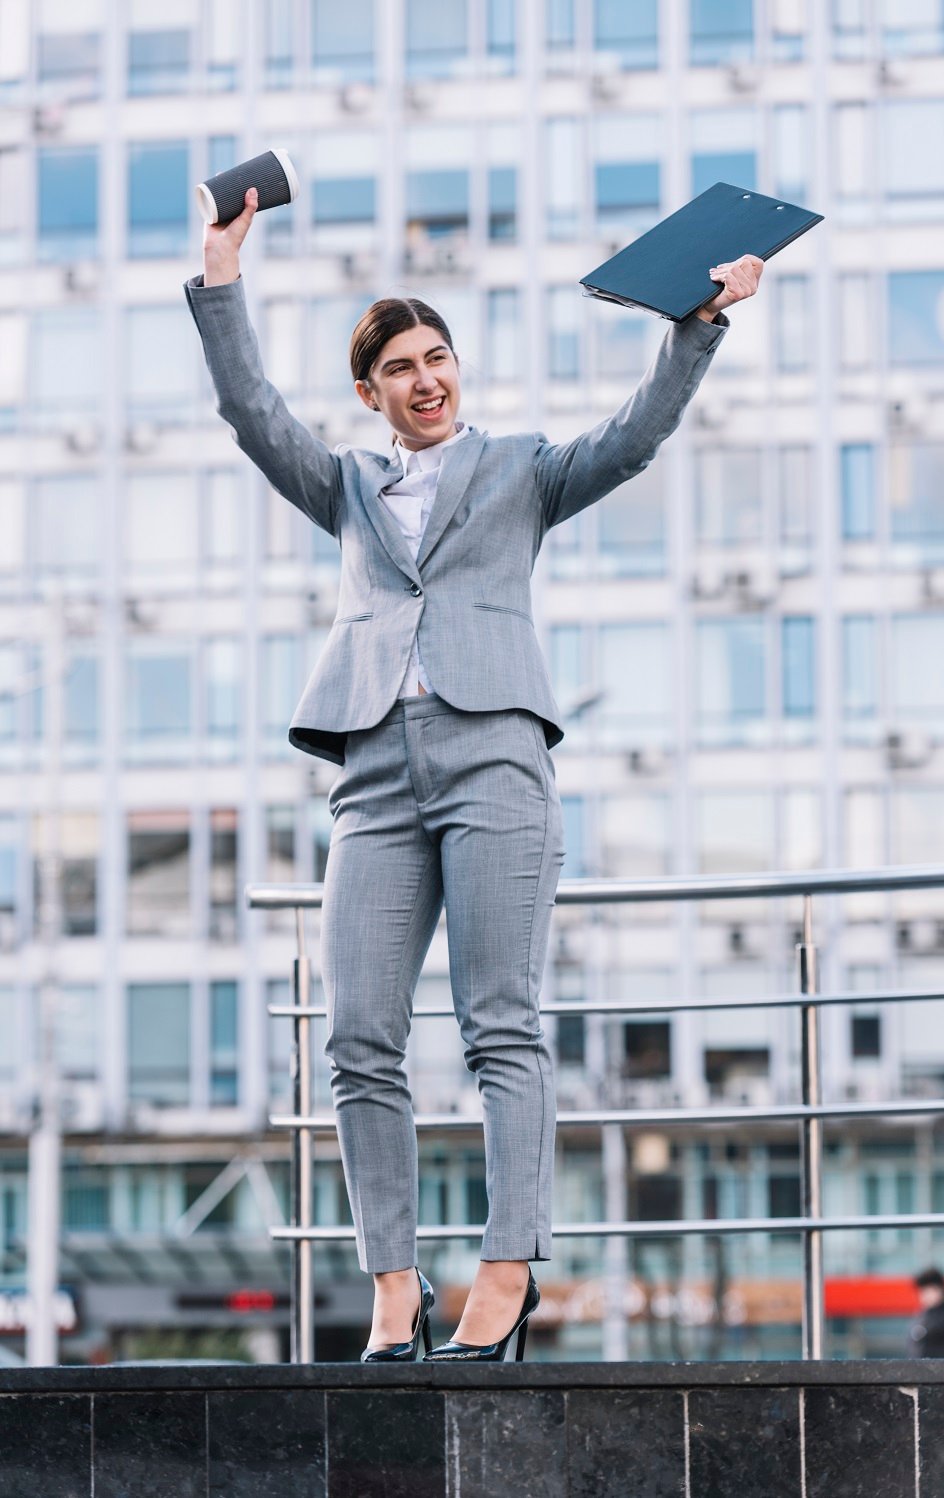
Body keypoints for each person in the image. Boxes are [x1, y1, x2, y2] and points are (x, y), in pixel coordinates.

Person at [184, 185, 762, 1362]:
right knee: (358, 1037)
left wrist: (693, 328)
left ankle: (506, 1274)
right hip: (374, 780)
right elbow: (250, 412)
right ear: (372, 393)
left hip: (494, 755)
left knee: (502, 1023)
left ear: (459, 369)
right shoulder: (344, 484)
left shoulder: (521, 470)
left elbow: (635, 436)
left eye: (437, 356)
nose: (424, 377)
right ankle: (395, 1290)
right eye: (399, 366)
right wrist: (221, 277)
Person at [907, 1267, 944, 1357]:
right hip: (923, 1367)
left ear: (940, 1289)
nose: (925, 1296)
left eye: (929, 1291)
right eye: (922, 1292)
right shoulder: (924, 1313)